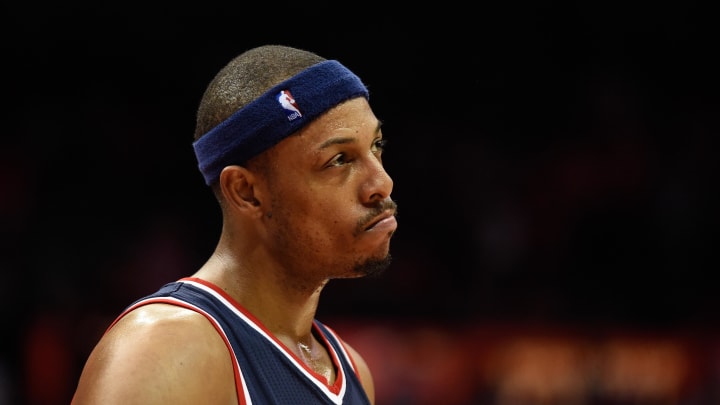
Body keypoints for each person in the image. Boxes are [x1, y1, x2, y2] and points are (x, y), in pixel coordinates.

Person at [71, 44, 398, 404]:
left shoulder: (351, 369)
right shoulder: (165, 350)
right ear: (246, 192)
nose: (381, 182)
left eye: (377, 145)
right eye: (339, 160)